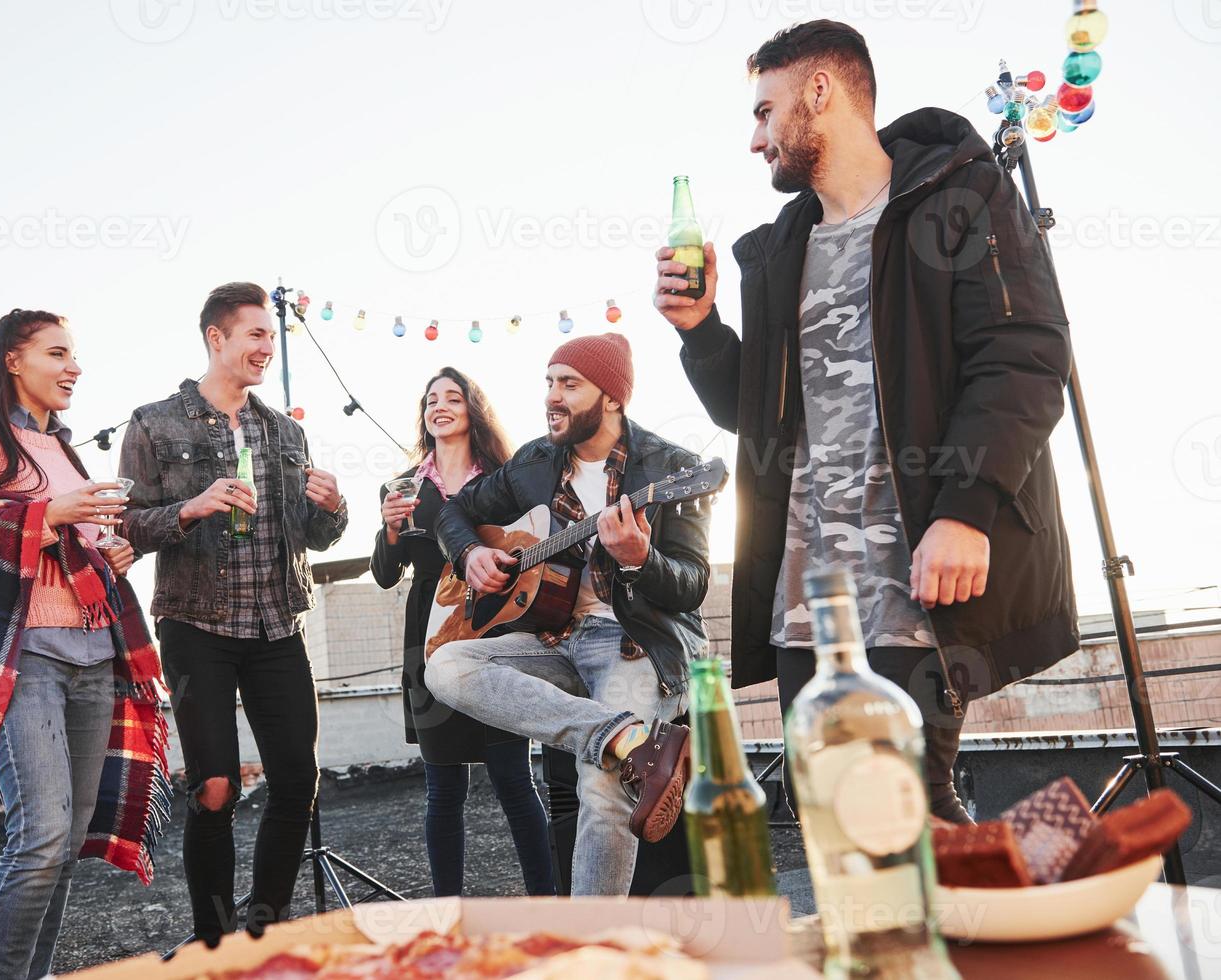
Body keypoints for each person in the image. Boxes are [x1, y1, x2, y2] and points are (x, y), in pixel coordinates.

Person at [654, 20, 1079, 823]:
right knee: (826, 809)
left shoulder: (956, 193)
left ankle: (1012, 932)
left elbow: (1023, 350)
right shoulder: (782, 247)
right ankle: (877, 951)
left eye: (763, 112)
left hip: (914, 573)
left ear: (819, 92)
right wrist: (701, 330)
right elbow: (756, 417)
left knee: (904, 803)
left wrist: (964, 508)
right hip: (804, 595)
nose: (755, 139)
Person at [0, 308, 170, 980]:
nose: (73, 367)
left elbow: (63, 541)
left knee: (65, 843)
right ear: (12, 360)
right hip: (22, 653)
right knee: (40, 836)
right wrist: (49, 515)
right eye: (57, 353)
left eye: (74, 355)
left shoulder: (61, 448)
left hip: (93, 652)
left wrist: (106, 552)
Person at [424, 333, 712, 896]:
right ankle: (627, 738)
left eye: (569, 385)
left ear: (611, 398)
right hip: (557, 637)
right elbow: (455, 511)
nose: (552, 397)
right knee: (446, 666)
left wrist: (641, 559)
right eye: (549, 383)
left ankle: (589, 946)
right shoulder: (535, 461)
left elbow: (692, 586)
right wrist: (470, 553)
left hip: (637, 642)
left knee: (602, 784)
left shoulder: (675, 468)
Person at [118, 281, 347, 943]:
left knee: (297, 781)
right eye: (254, 335)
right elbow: (124, 527)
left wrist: (333, 508)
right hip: (196, 629)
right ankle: (213, 939)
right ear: (216, 338)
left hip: (278, 627)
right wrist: (189, 509)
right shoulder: (153, 423)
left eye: (270, 338)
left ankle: (261, 929)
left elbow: (313, 535)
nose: (265, 348)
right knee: (213, 786)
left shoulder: (285, 431)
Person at [371, 367, 555, 898]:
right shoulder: (402, 486)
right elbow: (386, 573)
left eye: (453, 397)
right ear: (424, 414)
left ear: (473, 409)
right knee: (442, 789)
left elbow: (528, 545)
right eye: (432, 399)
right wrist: (388, 528)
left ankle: (547, 904)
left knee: (513, 781)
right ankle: (448, 913)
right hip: (427, 640)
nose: (441, 405)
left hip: (495, 632)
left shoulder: (502, 475)